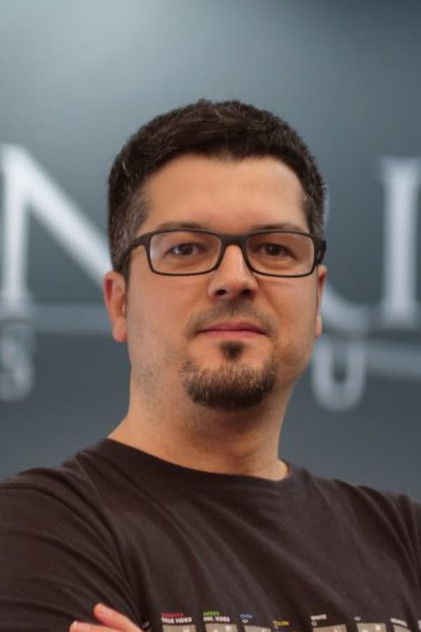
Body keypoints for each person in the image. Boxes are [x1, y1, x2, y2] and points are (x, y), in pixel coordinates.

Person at [0, 100, 420, 632]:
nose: (235, 278)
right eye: (186, 249)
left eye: (274, 248)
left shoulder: (405, 538)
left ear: (316, 299)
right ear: (120, 303)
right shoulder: (36, 529)